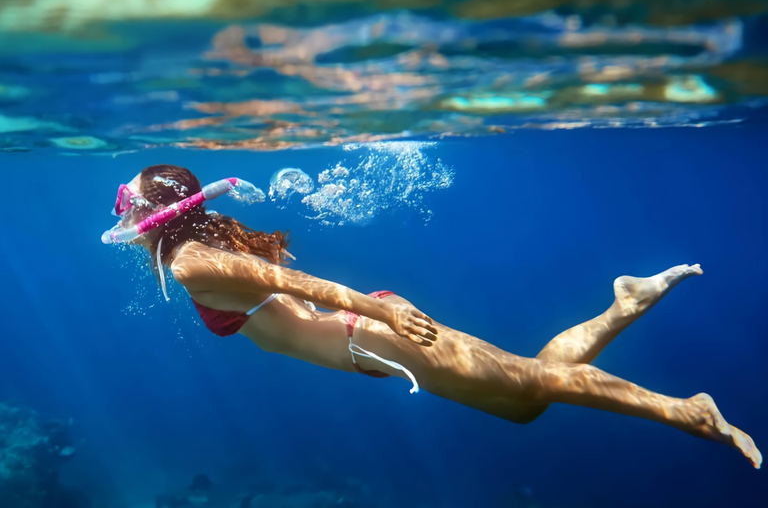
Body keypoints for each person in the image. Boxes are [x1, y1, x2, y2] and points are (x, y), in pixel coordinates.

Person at [103, 164, 761, 469]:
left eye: (123, 209)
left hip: (377, 336)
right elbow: (283, 291)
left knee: (535, 388)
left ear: (144, 217)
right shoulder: (204, 242)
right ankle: (625, 306)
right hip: (374, 340)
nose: (124, 224)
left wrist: (376, 314)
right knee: (525, 399)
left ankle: (686, 410)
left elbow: (298, 283)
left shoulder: (188, 262)